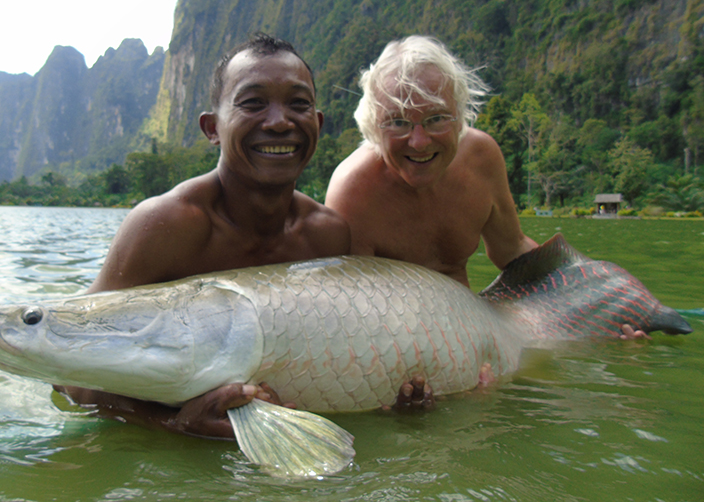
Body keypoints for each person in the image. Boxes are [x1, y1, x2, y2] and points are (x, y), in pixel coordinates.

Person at [56, 33, 353, 438]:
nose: (280, 121)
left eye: (298, 104)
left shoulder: (327, 238)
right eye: (253, 103)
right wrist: (173, 425)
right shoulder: (164, 226)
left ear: (316, 124)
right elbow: (66, 372)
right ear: (212, 128)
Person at [324, 35, 647, 339]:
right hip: (399, 338)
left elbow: (513, 251)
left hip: (476, 332)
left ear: (460, 114)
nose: (420, 142)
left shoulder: (482, 157)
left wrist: (601, 305)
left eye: (437, 118)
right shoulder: (353, 191)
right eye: (397, 122)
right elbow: (353, 313)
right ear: (372, 126)